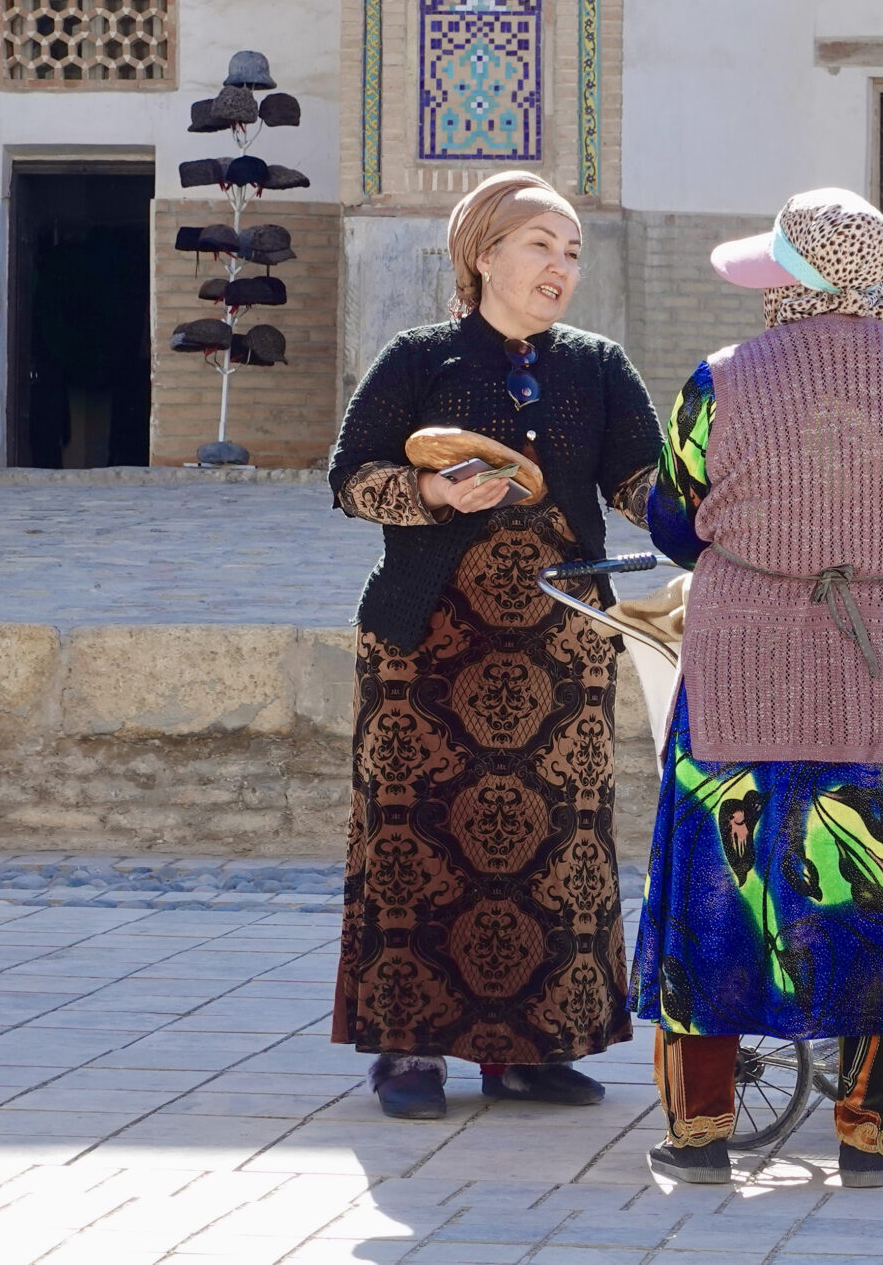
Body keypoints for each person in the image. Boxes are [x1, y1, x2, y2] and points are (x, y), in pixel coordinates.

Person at [630, 188, 883, 1188]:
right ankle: (868, 1132)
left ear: (794, 277)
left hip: (739, 667)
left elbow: (675, 525)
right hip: (882, 669)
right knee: (881, 886)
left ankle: (702, 1129)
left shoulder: (718, 379)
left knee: (719, 889)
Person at [325, 171, 661, 1120]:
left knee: (554, 844)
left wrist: (707, 513)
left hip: (559, 646)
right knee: (414, 837)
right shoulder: (419, 357)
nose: (561, 266)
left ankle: (531, 1049)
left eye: (573, 251)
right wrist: (431, 495)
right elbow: (351, 479)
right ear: (483, 255)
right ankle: (408, 1052)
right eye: (540, 246)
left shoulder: (597, 365)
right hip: (423, 647)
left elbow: (642, 478)